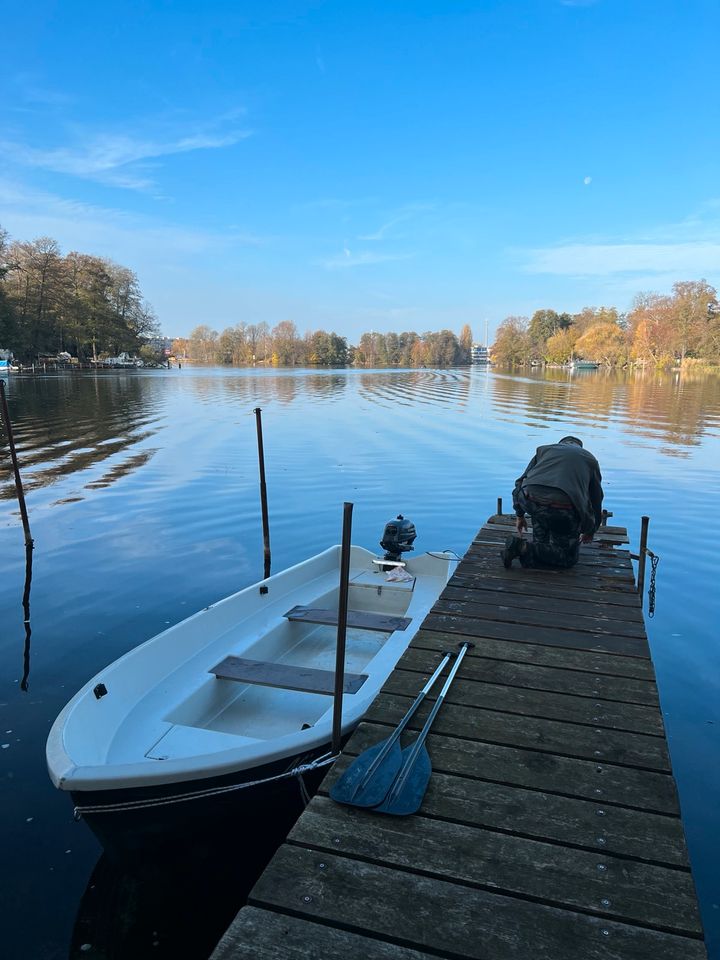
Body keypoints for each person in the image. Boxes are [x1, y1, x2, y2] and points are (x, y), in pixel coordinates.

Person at [502, 436, 603, 569]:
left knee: (541, 539)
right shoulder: (589, 459)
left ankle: (526, 552)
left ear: (560, 444)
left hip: (529, 500)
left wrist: (519, 515)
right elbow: (596, 499)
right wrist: (590, 530)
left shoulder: (545, 450)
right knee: (568, 558)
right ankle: (521, 546)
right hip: (562, 510)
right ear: (580, 447)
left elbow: (520, 482)